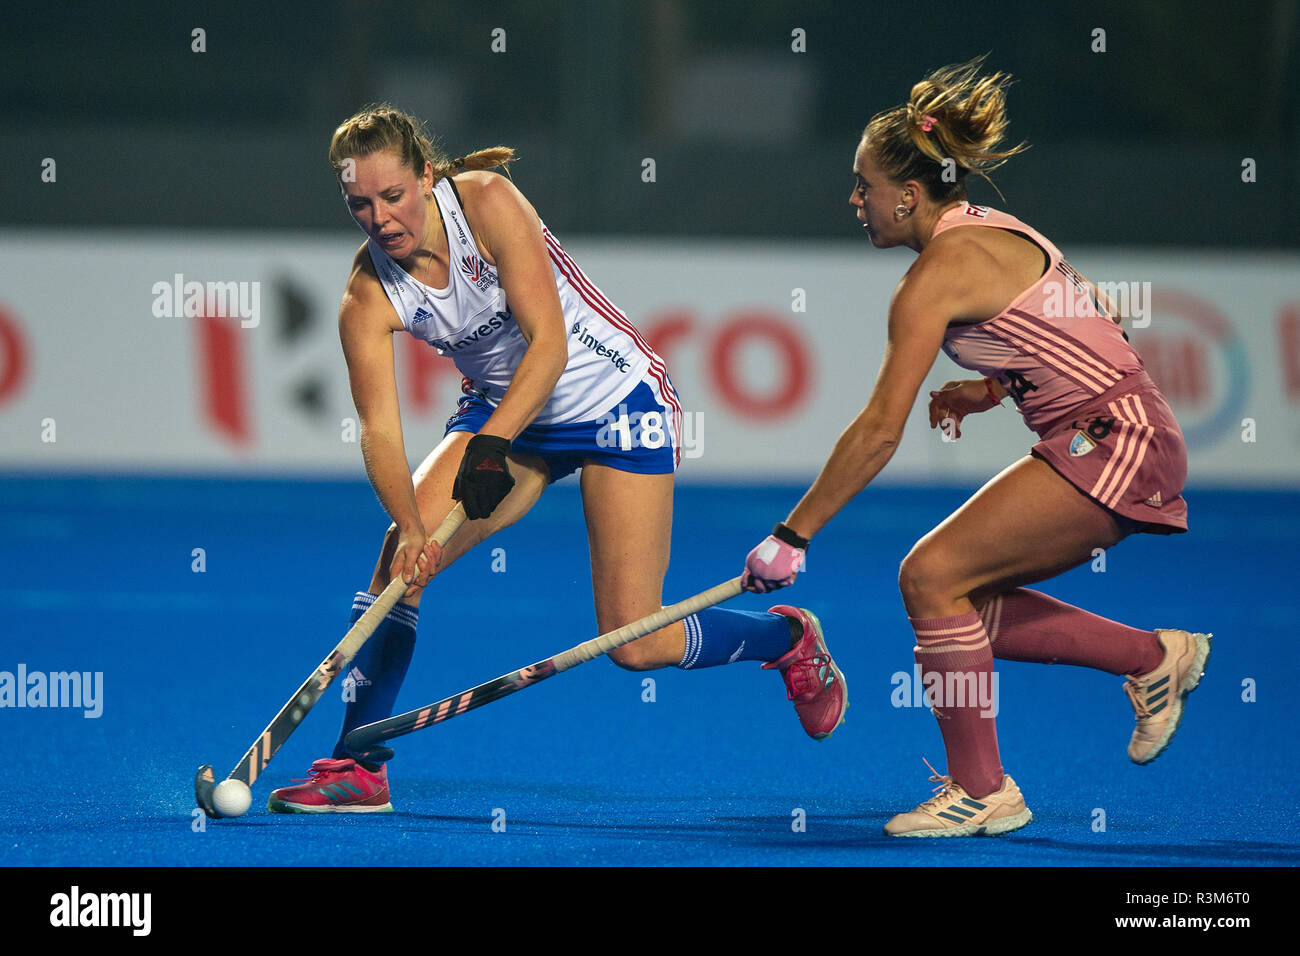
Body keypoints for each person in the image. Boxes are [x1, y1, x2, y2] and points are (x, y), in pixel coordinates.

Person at [267, 105, 848, 813]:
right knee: (398, 561)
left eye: (393, 196)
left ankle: (785, 639)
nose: (381, 217)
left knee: (633, 641)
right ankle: (359, 766)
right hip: (506, 415)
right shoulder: (367, 295)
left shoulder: (485, 201)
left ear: (424, 175)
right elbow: (379, 433)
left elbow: (550, 346)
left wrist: (491, 444)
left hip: (615, 402)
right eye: (361, 204)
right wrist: (413, 528)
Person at [741, 58, 1211, 838]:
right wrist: (993, 388)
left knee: (930, 577)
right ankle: (1149, 658)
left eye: (864, 185)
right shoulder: (997, 231)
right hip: (1120, 431)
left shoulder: (935, 276)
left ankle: (983, 789)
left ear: (910, 193)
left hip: (1116, 440)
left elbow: (878, 431)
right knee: (957, 601)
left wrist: (792, 535)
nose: (855, 201)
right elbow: (1094, 320)